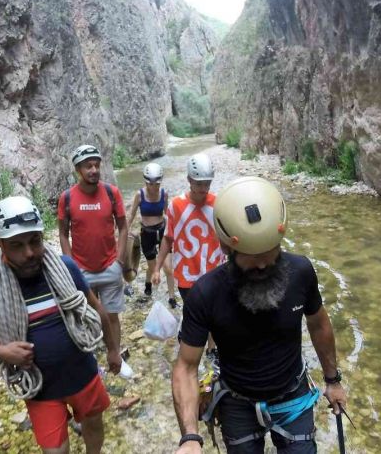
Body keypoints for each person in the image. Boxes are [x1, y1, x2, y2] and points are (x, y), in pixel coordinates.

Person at [171, 177, 349, 454]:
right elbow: (186, 366)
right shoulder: (205, 293)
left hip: (293, 394)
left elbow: (318, 324)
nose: (264, 263)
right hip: (237, 402)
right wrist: (190, 436)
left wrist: (333, 380)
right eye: (253, 259)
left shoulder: (300, 272)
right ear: (227, 247)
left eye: (272, 253)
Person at [0, 195, 121, 454]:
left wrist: (113, 350)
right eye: (17, 245)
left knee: (94, 424)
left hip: (83, 373)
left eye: (35, 241)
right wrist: (3, 351)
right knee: (55, 450)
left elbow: (98, 310)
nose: (29, 253)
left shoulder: (65, 268)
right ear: (1, 245)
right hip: (41, 388)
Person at [58, 144, 132, 374]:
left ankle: (115, 359)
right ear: (78, 169)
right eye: (88, 166)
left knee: (112, 316)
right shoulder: (67, 198)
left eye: (97, 165)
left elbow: (123, 226)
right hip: (82, 272)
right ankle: (90, 363)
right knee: (85, 317)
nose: (94, 170)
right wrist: (70, 267)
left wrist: (120, 261)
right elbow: (62, 232)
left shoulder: (112, 192)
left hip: (110, 266)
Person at [152, 153, 223, 357]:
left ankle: (212, 350)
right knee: (195, 314)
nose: (204, 188)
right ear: (189, 180)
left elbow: (227, 236)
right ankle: (190, 352)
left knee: (215, 315)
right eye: (199, 183)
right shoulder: (176, 205)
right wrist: (156, 268)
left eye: (207, 183)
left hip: (214, 271)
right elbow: (168, 238)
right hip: (186, 274)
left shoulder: (218, 204)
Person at [125, 162, 177, 306]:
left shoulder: (164, 194)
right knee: (153, 267)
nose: (154, 188)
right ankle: (148, 285)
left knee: (168, 268)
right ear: (146, 182)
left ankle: (172, 298)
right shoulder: (139, 195)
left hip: (162, 232)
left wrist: (177, 230)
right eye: (151, 185)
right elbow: (131, 215)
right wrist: (124, 233)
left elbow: (168, 214)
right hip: (146, 234)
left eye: (157, 185)